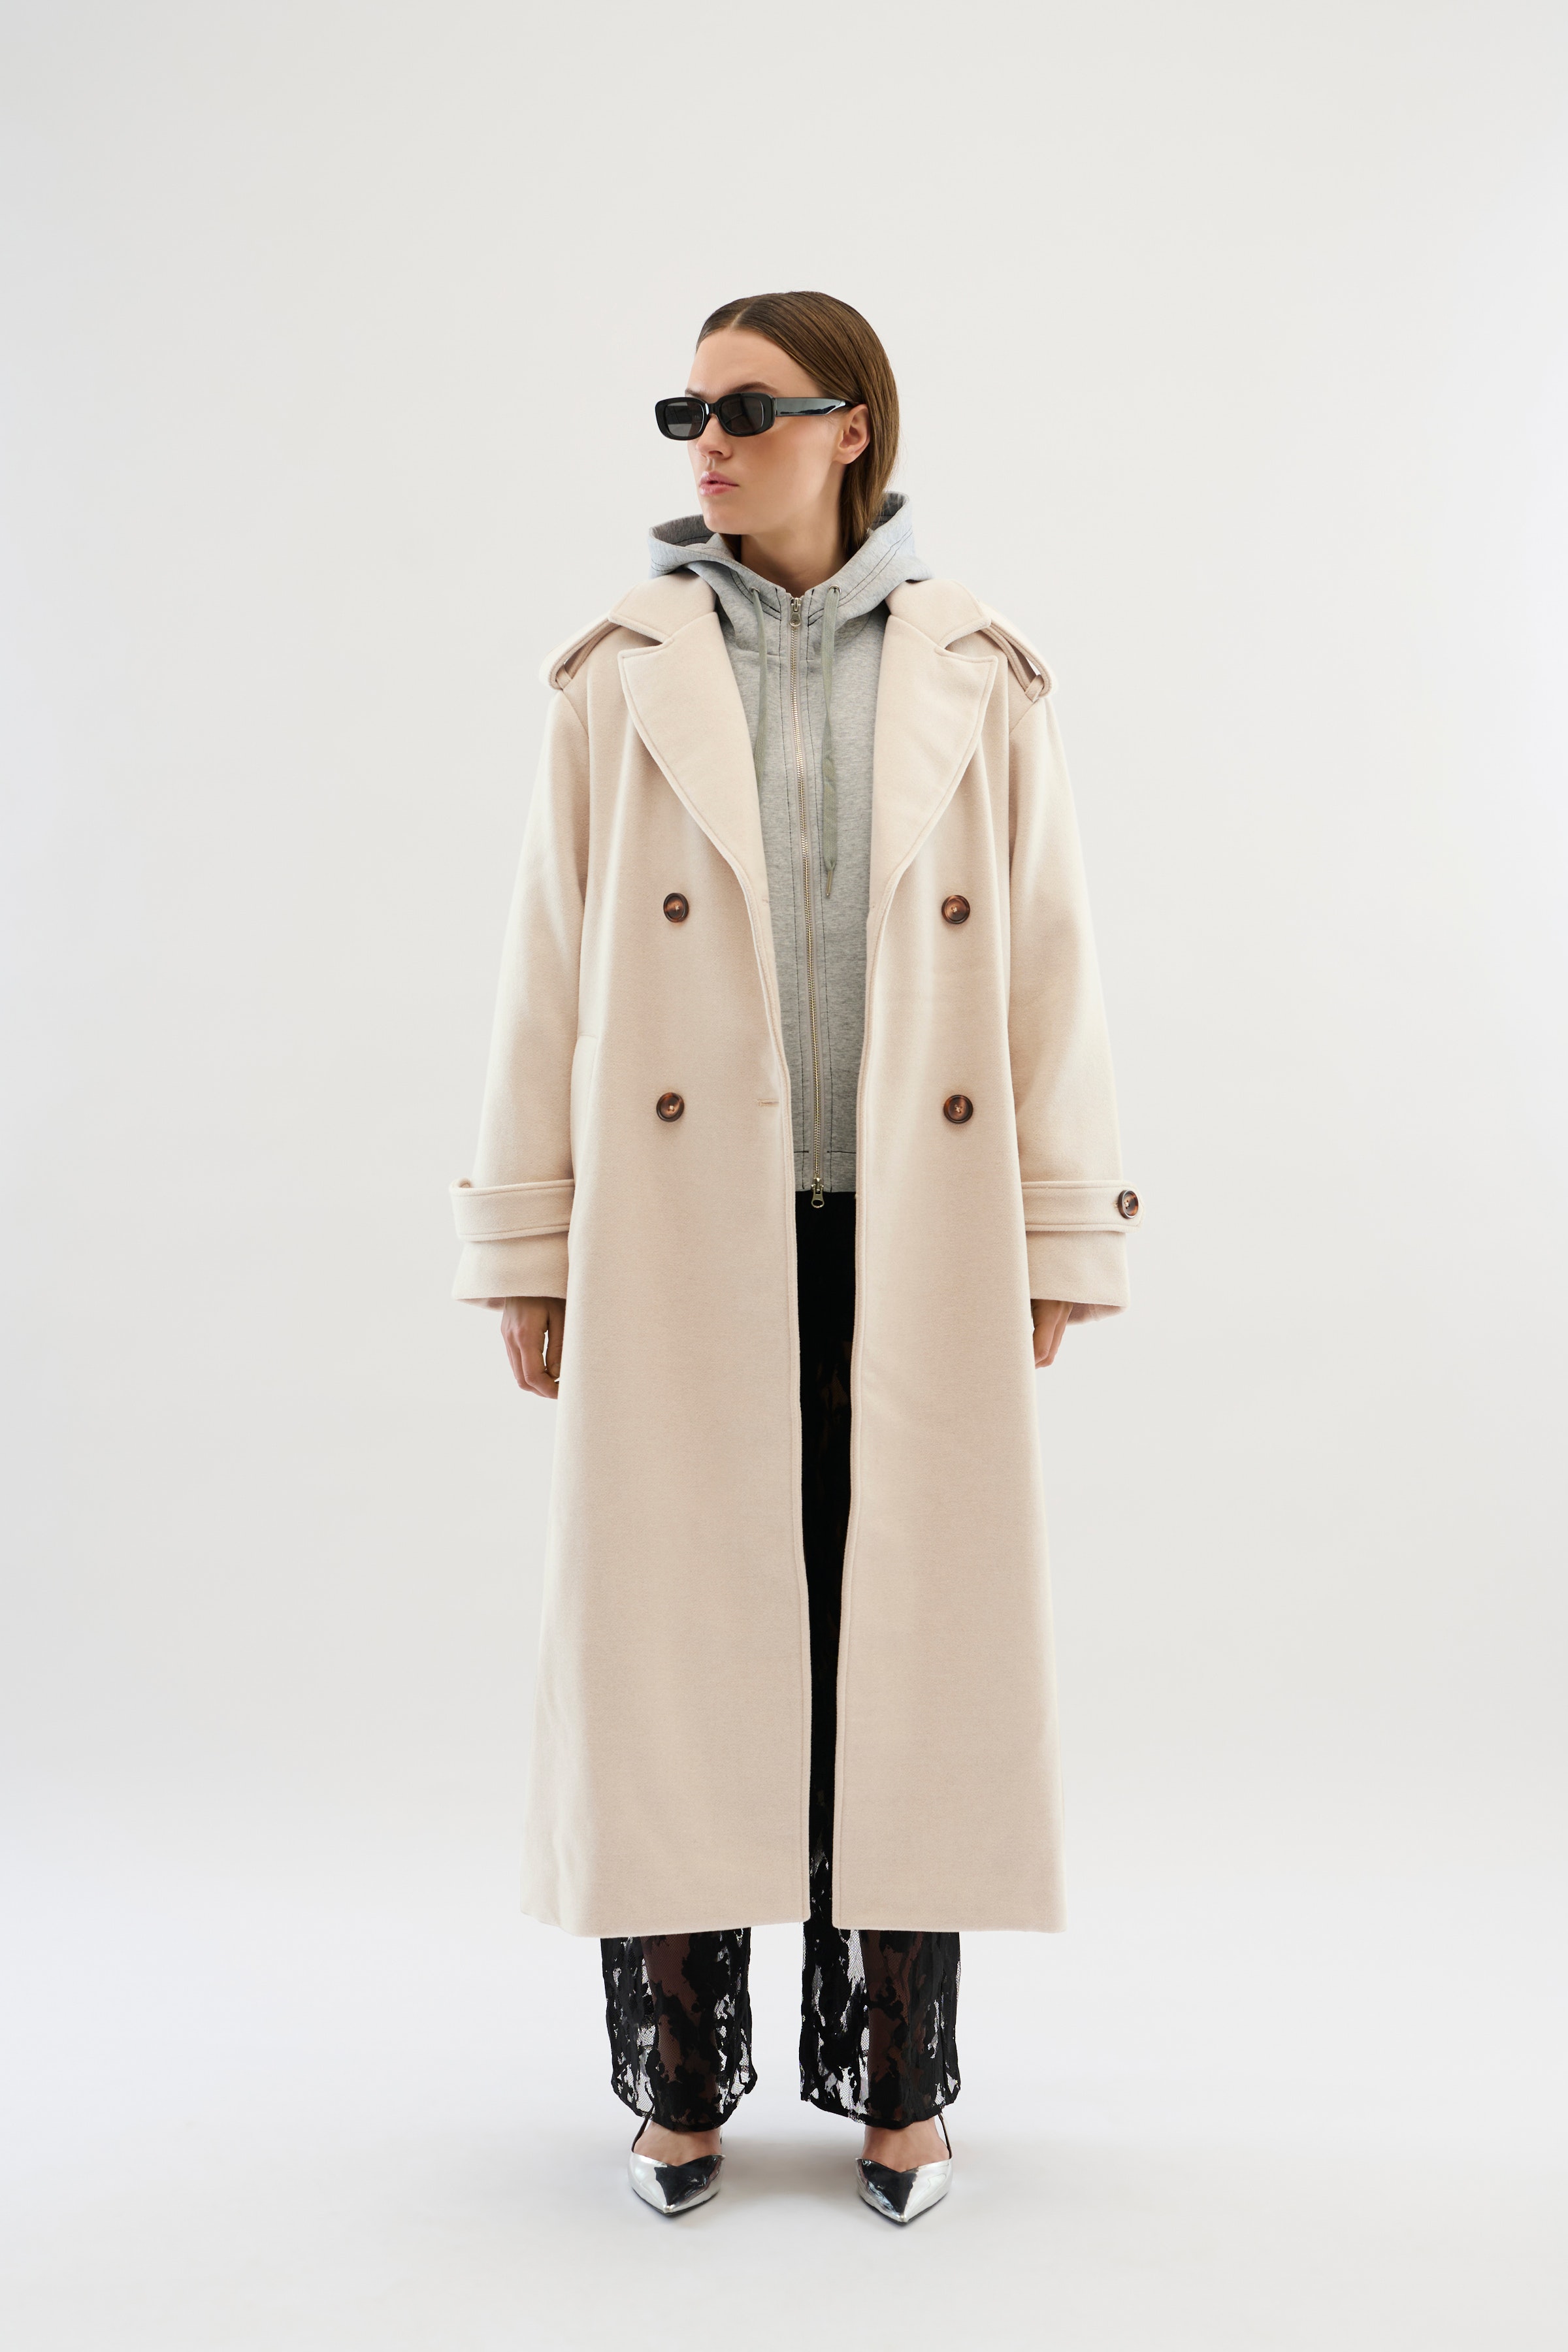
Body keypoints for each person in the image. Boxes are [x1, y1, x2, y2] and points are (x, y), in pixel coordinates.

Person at [449, 290, 1139, 2223]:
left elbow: (1052, 960)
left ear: (852, 430)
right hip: (683, 1243)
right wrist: (529, 1242)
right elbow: (543, 967)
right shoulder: (619, 674)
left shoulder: (979, 671)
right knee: (683, 1650)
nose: (709, 443)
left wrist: (1060, 1222)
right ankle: (680, 2086)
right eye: (687, 411)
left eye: (747, 409)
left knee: (902, 1655)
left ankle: (902, 2092)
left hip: (918, 1232)